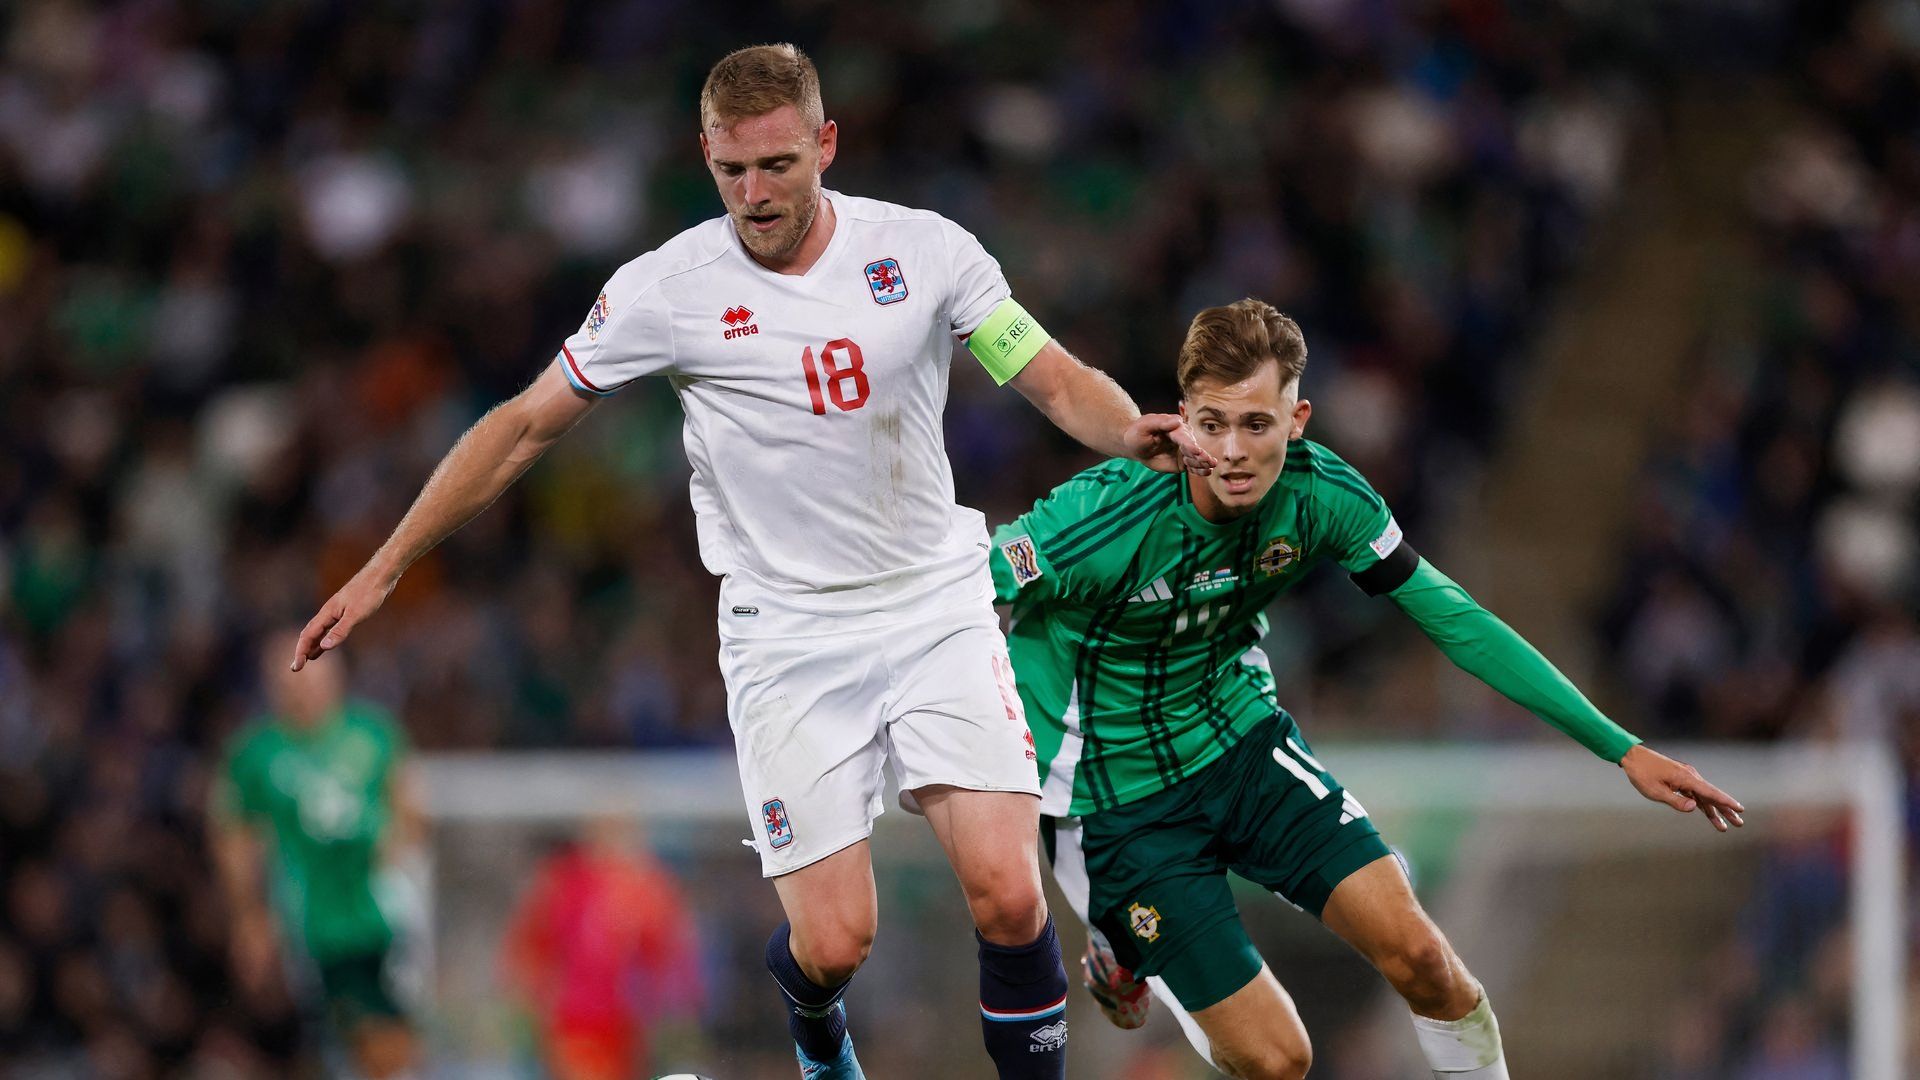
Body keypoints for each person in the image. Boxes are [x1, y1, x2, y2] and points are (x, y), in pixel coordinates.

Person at [290, 42, 1213, 1080]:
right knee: (835, 943)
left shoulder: (924, 252)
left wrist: (1131, 426)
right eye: (733, 171)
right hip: (788, 637)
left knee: (1008, 892)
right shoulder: (667, 289)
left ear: (825, 142)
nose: (755, 193)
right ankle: (817, 1027)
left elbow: (1043, 375)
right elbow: (521, 427)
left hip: (933, 606)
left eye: (777, 165)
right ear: (706, 157)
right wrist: (387, 566)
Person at [988, 299, 1746, 1080]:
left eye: (1258, 424)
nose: (1234, 451)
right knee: (1280, 1060)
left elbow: (1456, 621)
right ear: (1181, 418)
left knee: (1422, 956)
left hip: (1239, 742)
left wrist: (1620, 748)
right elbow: (954, 590)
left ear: (1300, 417)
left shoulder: (1324, 497)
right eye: (1212, 424)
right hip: (1113, 799)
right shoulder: (1102, 517)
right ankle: (1121, 938)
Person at [210, 637, 425, 1079]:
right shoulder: (256, 753)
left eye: (314, 671)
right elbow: (234, 837)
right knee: (329, 1038)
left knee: (387, 1035)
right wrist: (249, 917)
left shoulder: (372, 734)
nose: (302, 685)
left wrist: (397, 849)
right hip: (307, 920)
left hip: (379, 911)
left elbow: (407, 806)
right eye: (291, 674)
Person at [502, 817, 706, 1080]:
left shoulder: (647, 886)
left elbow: (670, 951)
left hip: (627, 1025)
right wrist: (537, 999)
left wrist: (670, 1009)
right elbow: (527, 947)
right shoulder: (564, 883)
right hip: (576, 1021)